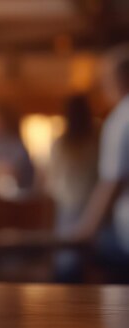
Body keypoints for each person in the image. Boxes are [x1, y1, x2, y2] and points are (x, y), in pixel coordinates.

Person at [65, 46, 129, 282]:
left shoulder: (121, 118)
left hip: (126, 238)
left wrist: (85, 231)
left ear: (118, 79)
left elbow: (111, 183)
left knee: (69, 266)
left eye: (105, 80)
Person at [48, 95, 99, 282]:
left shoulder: (61, 144)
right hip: (95, 205)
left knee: (68, 260)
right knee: (87, 259)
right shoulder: (97, 141)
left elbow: (51, 181)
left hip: (69, 207)